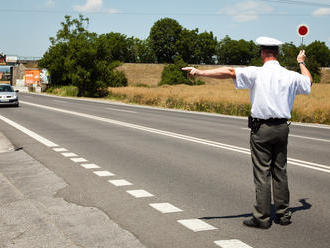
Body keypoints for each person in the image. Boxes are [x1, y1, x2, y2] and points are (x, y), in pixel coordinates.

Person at [182, 36, 312, 229]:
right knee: (280, 171)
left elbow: (229, 71)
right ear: (277, 53)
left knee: (262, 173)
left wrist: (199, 72)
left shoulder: (256, 73)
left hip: (262, 129)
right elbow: (309, 81)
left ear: (262, 53)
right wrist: (301, 63)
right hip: (283, 128)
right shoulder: (290, 75)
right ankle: (283, 215)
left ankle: (262, 218)